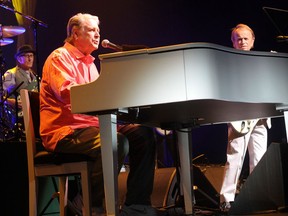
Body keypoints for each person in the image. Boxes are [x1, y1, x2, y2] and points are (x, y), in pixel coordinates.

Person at [40, 13, 163, 216]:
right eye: (92, 30)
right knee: (115, 142)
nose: (97, 34)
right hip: (65, 131)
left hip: (93, 126)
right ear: (75, 33)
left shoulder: (90, 62)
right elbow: (66, 92)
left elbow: (101, 99)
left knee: (143, 135)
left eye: (98, 30)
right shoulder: (59, 57)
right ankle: (88, 205)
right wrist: (106, 94)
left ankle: (136, 206)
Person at [219, 24, 271, 212]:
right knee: (235, 157)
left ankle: (257, 197)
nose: (242, 42)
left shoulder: (261, 61)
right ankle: (226, 199)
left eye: (245, 38)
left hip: (260, 115)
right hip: (239, 116)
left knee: (259, 159)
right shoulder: (228, 62)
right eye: (238, 39)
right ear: (233, 42)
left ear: (253, 40)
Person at [2, 44, 38, 138]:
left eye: (31, 56)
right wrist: (11, 102)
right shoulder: (11, 74)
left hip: (33, 116)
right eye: (27, 56)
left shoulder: (35, 76)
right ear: (19, 58)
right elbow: (1, 97)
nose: (30, 59)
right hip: (17, 118)